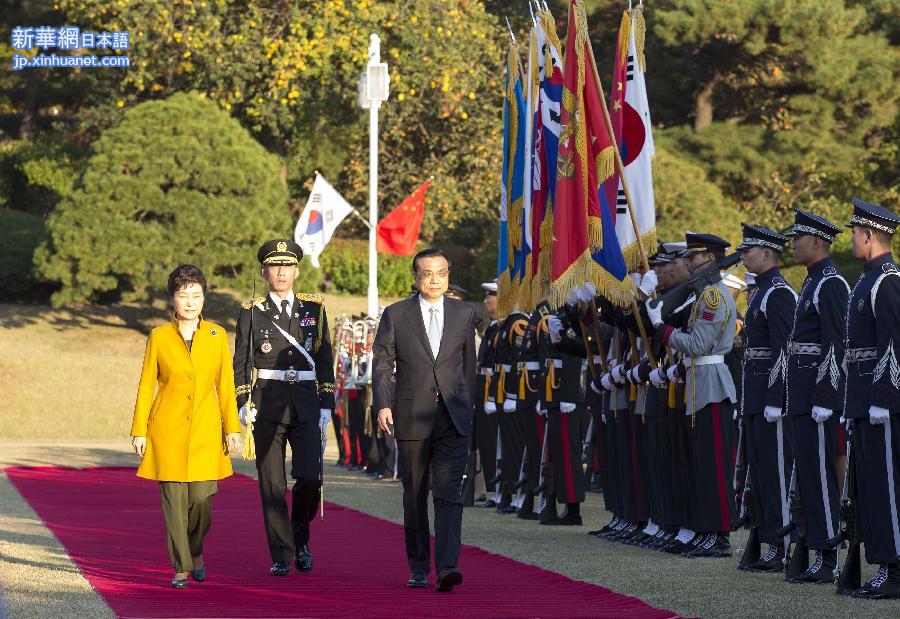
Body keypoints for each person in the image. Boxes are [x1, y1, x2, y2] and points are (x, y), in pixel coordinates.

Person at [130, 264, 242, 588]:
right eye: (183, 295)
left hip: (207, 431)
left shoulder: (217, 335)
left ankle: (195, 551)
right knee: (174, 504)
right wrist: (138, 430)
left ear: (204, 297)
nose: (190, 302)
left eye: (196, 295)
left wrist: (232, 428)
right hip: (167, 431)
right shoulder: (159, 337)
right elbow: (146, 384)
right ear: (173, 300)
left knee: (203, 500)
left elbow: (225, 385)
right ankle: (181, 566)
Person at [373, 248, 477, 592]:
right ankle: (418, 566)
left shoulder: (464, 313)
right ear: (416, 277)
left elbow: (468, 367)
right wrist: (383, 405)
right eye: (428, 274)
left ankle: (447, 566)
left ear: (448, 275)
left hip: (453, 415)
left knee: (449, 492)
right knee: (415, 493)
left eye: (441, 273)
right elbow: (383, 364)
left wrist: (468, 406)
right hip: (411, 414)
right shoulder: (396, 314)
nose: (435, 280)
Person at [232, 239, 335, 576]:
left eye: (287, 266)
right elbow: (242, 361)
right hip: (267, 404)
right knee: (272, 484)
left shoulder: (314, 309)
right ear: (265, 271)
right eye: (274, 266)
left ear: (296, 271)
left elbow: (323, 359)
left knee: (309, 477)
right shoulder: (252, 310)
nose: (281, 272)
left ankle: (299, 536)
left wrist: (326, 403)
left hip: (305, 403)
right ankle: (281, 552)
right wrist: (242, 401)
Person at [647, 232, 738, 558]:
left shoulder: (713, 297)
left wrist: (662, 330)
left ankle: (719, 535)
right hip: (699, 385)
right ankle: (704, 529)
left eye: (693, 257)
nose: (687, 262)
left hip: (711, 386)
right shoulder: (702, 295)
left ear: (710, 259)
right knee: (700, 466)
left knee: (713, 467)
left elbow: (698, 345)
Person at [783, 207, 848, 584]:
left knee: (822, 475)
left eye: (798, 239)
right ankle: (814, 546)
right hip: (801, 394)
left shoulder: (831, 284)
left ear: (817, 241)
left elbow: (835, 345)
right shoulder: (811, 283)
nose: (792, 245)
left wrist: (826, 395)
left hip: (817, 398)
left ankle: (828, 555)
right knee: (807, 473)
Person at [842, 198, 900, 599]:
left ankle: (894, 568)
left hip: (882, 402)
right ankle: (884, 563)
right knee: (871, 488)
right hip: (863, 399)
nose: (851, 239)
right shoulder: (867, 278)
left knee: (887, 487)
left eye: (854, 233)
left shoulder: (887, 279)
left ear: (869, 234)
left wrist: (884, 395)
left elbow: (894, 342)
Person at [737, 223, 797, 572]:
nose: (743, 255)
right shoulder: (761, 291)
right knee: (760, 472)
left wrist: (776, 396)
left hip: (770, 398)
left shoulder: (778, 293)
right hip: (755, 395)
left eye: (750, 249)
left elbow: (783, 351)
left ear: (768, 253)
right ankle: (768, 540)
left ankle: (781, 543)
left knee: (775, 472)